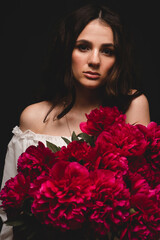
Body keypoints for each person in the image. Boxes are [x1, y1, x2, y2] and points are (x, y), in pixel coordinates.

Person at [0, 2, 150, 239]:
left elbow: (145, 199)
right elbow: (9, 213)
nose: (94, 60)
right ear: (66, 51)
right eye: (83, 47)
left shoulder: (133, 105)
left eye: (107, 51)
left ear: (118, 60)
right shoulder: (34, 117)